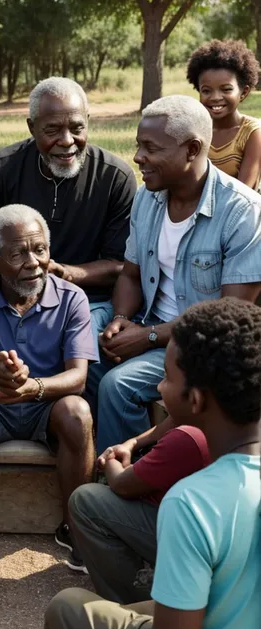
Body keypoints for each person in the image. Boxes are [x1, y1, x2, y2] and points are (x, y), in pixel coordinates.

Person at [46, 297, 261, 629]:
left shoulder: (195, 501)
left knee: (68, 609)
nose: (160, 388)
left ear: (195, 400)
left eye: (165, 377)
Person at [0, 204, 96, 621]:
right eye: (17, 254)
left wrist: (35, 387)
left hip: (45, 405)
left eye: (40, 249)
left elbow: (78, 377)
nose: (33, 263)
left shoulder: (72, 298)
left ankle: (76, 534)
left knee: (77, 412)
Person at [90, 94, 261, 455]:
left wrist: (149, 337)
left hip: (202, 343)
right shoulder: (147, 199)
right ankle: (84, 447)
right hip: (146, 319)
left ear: (192, 149)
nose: (138, 157)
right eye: (139, 145)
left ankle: (131, 483)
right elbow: (131, 275)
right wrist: (121, 319)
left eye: (150, 148)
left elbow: (227, 318)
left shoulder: (241, 211)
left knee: (118, 385)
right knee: (83, 341)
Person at [0, 77, 137, 342]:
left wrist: (65, 274)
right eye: (52, 130)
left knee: (83, 350)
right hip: (9, 294)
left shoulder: (115, 177)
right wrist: (15, 291)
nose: (67, 141)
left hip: (88, 300)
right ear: (32, 127)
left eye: (77, 128)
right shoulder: (2, 169)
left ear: (88, 121)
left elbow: (120, 266)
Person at [69, 416, 210, 603]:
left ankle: (134, 604)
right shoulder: (216, 420)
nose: (159, 388)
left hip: (191, 546)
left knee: (86, 501)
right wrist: (132, 443)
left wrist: (111, 458)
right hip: (204, 535)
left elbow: (122, 484)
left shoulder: (189, 437)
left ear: (194, 398)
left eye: (168, 384)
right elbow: (164, 426)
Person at [187, 39, 261, 190]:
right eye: (206, 91)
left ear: (244, 92)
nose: (215, 97)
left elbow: (244, 194)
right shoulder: (194, 130)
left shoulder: (253, 133)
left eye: (226, 89)